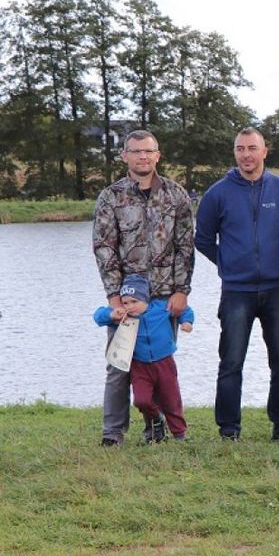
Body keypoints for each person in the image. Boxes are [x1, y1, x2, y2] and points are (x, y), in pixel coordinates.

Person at [195, 128, 279, 442]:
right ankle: (229, 428)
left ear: (265, 151)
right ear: (235, 153)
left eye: (252, 148)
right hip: (236, 292)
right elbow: (203, 240)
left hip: (277, 288)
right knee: (231, 361)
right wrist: (228, 263)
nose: (246, 155)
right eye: (240, 149)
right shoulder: (217, 193)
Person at [93, 130, 195, 446]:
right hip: (127, 298)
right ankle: (113, 432)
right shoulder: (111, 197)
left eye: (148, 151)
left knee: (160, 371)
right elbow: (104, 247)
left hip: (165, 297)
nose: (142, 157)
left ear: (157, 155)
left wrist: (182, 291)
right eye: (136, 151)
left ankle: (157, 426)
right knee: (119, 366)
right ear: (125, 155)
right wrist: (114, 299)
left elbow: (185, 247)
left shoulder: (176, 195)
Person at [93, 274, 194, 443]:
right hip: (140, 367)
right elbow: (98, 316)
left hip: (164, 363)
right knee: (141, 400)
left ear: (146, 299)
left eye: (134, 302)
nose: (130, 306)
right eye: (126, 302)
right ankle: (156, 419)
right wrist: (112, 314)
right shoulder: (123, 318)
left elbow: (185, 310)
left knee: (171, 400)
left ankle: (180, 435)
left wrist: (187, 322)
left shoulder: (161, 309)